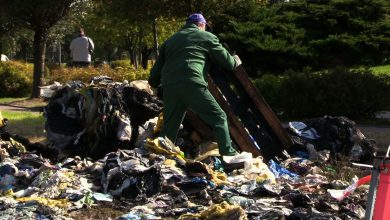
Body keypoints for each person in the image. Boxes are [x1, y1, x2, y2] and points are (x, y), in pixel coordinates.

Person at [148, 13, 242, 156]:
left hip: (170, 86)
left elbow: (154, 76)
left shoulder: (169, 41)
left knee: (170, 126)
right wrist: (235, 60)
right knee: (218, 117)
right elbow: (227, 63)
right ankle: (228, 153)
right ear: (201, 25)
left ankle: (160, 155)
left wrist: (155, 83)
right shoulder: (207, 37)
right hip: (192, 83)